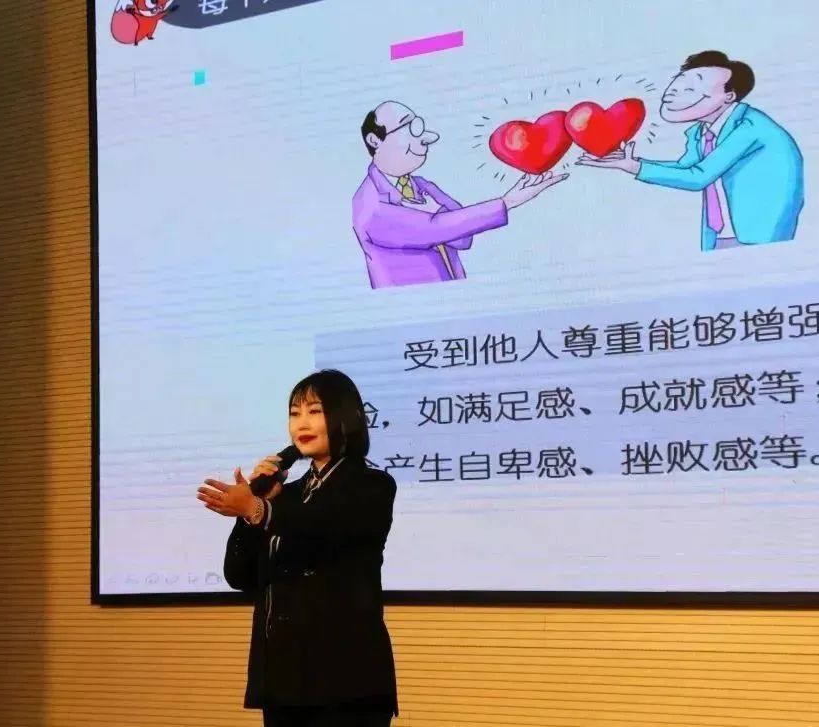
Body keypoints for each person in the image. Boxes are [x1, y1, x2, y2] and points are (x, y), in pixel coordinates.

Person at [197, 369, 398, 727]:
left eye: (314, 411)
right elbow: (240, 575)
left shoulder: (372, 485)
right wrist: (252, 506)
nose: (301, 423)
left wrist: (258, 509)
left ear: (347, 418)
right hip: (283, 681)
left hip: (346, 684)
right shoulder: (284, 497)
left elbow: (320, 527)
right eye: (294, 413)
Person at [577, 50, 804, 252]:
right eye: (677, 84)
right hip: (720, 236)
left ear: (729, 96)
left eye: (690, 88)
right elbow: (686, 167)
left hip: (760, 237)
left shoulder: (750, 127)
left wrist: (636, 167)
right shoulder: (700, 132)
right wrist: (634, 163)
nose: (672, 93)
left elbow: (698, 177)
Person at [352, 100, 567, 288]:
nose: (426, 139)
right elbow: (434, 228)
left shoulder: (422, 185)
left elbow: (463, 239)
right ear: (374, 141)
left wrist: (442, 216)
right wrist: (507, 201)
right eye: (410, 127)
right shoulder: (369, 203)